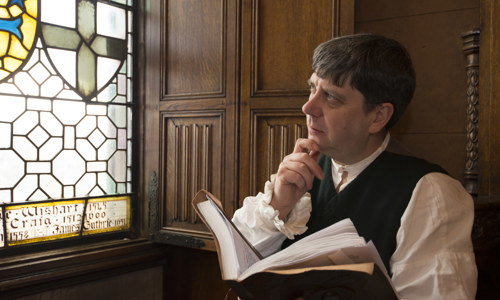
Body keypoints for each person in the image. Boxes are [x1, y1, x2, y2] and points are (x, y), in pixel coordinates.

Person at [232, 33, 477, 299]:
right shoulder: (301, 170)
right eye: (312, 88)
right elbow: (240, 263)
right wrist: (279, 204)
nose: (308, 106)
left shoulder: (430, 194)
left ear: (378, 116)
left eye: (331, 97)